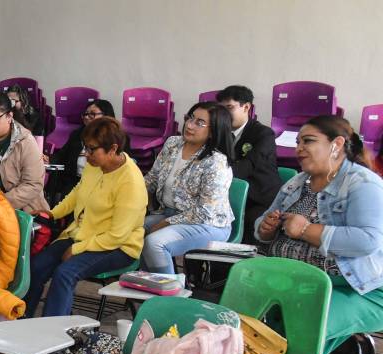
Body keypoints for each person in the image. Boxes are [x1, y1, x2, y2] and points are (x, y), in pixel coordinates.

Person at [255, 115, 383, 354]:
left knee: (302, 328)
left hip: (359, 288)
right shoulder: (298, 182)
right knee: (246, 323)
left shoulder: (363, 183)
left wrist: (305, 230)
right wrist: (266, 228)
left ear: (336, 144)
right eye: (298, 142)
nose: (299, 148)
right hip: (298, 282)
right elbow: (263, 222)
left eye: (309, 141)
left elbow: (367, 241)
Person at [24, 118, 147, 319]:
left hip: (119, 247)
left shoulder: (130, 182)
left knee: (65, 273)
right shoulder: (96, 164)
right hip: (82, 235)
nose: (86, 155)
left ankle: (54, 339)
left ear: (113, 148)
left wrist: (76, 249)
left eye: (91, 150)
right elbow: (78, 193)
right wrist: (52, 213)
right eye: (85, 148)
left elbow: (117, 236)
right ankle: (21, 321)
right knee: (36, 267)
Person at [141, 102, 235, 274]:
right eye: (190, 118)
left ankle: (168, 294)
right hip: (170, 213)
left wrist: (166, 223)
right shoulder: (173, 143)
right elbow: (152, 178)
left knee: (155, 243)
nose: (190, 125)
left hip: (208, 224)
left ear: (213, 130)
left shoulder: (216, 162)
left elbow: (205, 211)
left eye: (200, 123)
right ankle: (145, 286)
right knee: (131, 228)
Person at [216, 85, 282, 242]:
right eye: (221, 109)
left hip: (259, 196)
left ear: (246, 107)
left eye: (229, 108)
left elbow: (248, 166)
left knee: (249, 223)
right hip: (227, 194)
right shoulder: (219, 133)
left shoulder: (264, 134)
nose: (223, 114)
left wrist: (214, 175)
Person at [46, 99, 127, 202]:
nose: (87, 117)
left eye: (92, 114)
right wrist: (49, 159)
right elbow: (62, 155)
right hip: (75, 181)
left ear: (106, 115)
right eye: (85, 114)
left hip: (103, 184)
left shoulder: (118, 137)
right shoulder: (77, 134)